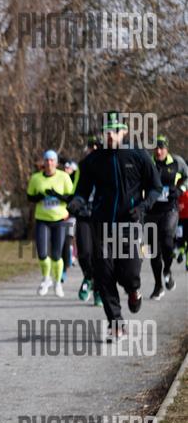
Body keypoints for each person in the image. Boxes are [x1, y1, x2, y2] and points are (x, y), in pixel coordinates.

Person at [68, 111, 161, 341]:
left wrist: (143, 207)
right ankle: (116, 323)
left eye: (115, 131)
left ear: (124, 132)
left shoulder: (138, 155)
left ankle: (134, 289)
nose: (111, 135)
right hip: (102, 225)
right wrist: (77, 202)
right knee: (103, 273)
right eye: (107, 131)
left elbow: (155, 187)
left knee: (129, 273)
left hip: (130, 223)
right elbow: (82, 191)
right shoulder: (93, 161)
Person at [145, 135, 188, 300]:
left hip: (170, 209)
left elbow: (187, 177)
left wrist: (180, 189)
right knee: (154, 251)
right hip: (151, 211)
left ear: (167, 148)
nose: (158, 151)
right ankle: (158, 286)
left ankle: (167, 270)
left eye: (161, 148)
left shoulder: (177, 162)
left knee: (167, 239)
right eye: (156, 148)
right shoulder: (148, 162)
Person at [27, 150, 73, 297]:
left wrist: (57, 195)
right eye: (47, 160)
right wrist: (39, 197)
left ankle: (58, 282)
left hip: (59, 220)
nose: (49, 163)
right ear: (43, 162)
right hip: (42, 220)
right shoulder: (36, 178)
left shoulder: (64, 177)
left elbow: (71, 198)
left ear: (56, 163)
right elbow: (29, 197)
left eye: (52, 160)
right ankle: (46, 279)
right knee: (42, 253)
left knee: (56, 255)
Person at [73, 136, 103, 306]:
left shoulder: (109, 165)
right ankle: (88, 277)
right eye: (91, 146)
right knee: (84, 252)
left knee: (100, 254)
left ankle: (98, 289)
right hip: (84, 214)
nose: (94, 149)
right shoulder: (83, 166)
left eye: (97, 146)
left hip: (102, 215)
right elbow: (76, 189)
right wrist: (73, 201)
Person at [60, 158, 78, 282]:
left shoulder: (76, 180)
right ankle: (66, 260)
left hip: (72, 215)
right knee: (61, 242)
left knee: (69, 238)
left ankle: (68, 263)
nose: (66, 170)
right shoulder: (59, 179)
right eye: (65, 167)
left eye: (68, 168)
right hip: (59, 215)